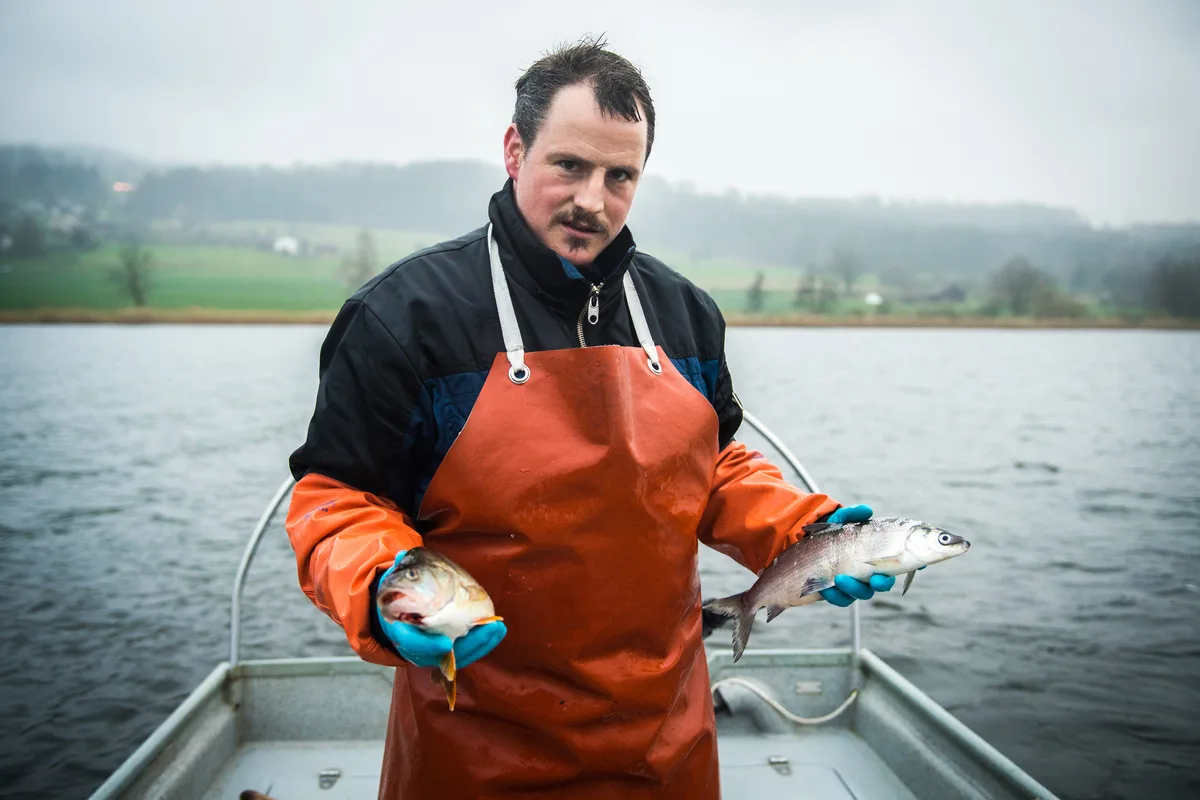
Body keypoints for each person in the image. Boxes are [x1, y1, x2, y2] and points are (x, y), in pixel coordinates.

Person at [285, 36, 896, 800]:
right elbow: (338, 500)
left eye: (620, 176)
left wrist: (803, 533)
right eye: (569, 165)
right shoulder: (405, 316)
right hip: (474, 743)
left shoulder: (685, 313)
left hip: (665, 741)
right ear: (514, 150)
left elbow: (714, 468)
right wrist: (384, 583)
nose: (592, 200)